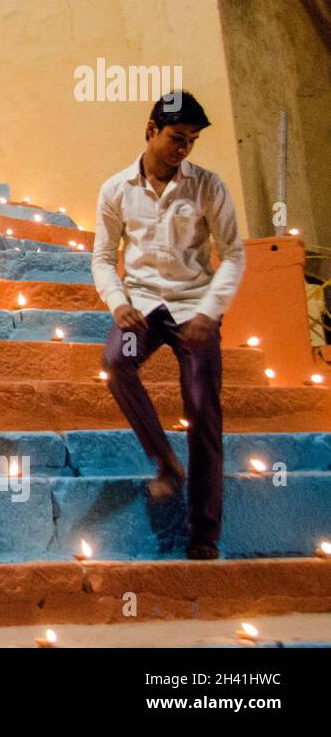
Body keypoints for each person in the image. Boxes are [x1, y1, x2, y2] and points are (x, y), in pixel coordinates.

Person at [91, 91, 245, 560]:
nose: (184, 149)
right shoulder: (115, 189)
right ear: (151, 130)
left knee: (202, 412)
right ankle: (166, 464)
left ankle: (205, 533)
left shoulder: (207, 187)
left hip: (195, 309)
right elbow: (102, 257)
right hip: (142, 308)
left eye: (192, 141)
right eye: (177, 137)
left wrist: (210, 312)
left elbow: (234, 254)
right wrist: (117, 302)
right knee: (117, 363)